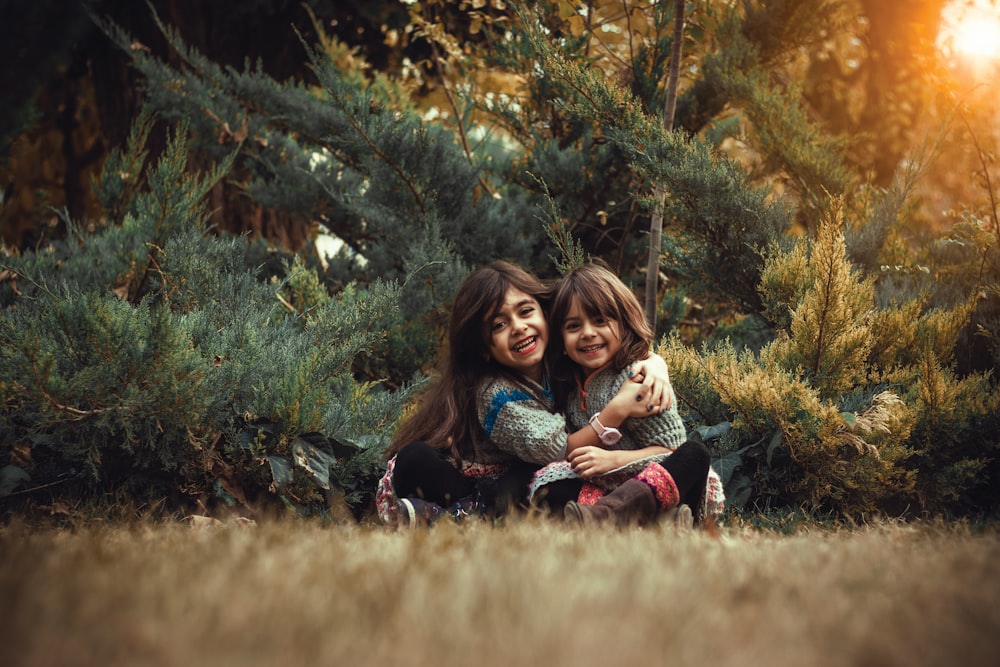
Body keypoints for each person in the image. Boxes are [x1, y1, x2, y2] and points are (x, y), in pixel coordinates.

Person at [376, 260, 672, 527]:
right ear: (484, 349)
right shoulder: (494, 394)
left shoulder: (563, 359)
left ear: (546, 315)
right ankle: (469, 514)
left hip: (526, 483)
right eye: (499, 325)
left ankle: (460, 518)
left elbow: (619, 350)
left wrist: (654, 364)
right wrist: (615, 411)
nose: (518, 327)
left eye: (526, 311)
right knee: (418, 458)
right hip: (474, 481)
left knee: (537, 481)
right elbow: (554, 450)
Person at [530, 262, 725, 526]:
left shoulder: (637, 379)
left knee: (694, 454)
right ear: (560, 338)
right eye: (574, 326)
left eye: (600, 320)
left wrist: (615, 460)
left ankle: (613, 517)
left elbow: (671, 450)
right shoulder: (568, 383)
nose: (588, 333)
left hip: (656, 481)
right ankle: (646, 522)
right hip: (606, 486)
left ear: (623, 323)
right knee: (549, 486)